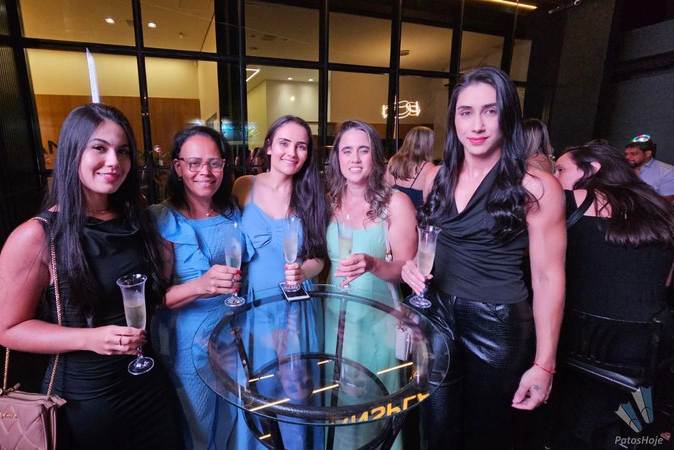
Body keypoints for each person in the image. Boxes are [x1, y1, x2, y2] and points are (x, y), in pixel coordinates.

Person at [0, 103, 183, 450]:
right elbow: (8, 329)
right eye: (99, 147)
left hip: (149, 388)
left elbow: (154, 297)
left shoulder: (137, 221)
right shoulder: (36, 236)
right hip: (86, 400)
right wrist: (90, 338)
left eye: (123, 151)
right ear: (72, 152)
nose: (114, 161)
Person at [401, 66, 566, 450]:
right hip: (436, 314)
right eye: (466, 112)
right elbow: (432, 248)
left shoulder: (537, 186)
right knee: (435, 430)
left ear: (507, 117)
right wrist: (411, 267)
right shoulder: (436, 177)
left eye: (490, 111)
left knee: (488, 437)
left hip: (497, 325)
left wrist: (544, 364)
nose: (476, 125)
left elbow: (548, 277)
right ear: (454, 119)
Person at [551, 142, 674, 448]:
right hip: (648, 343)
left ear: (592, 170)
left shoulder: (571, 200)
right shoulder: (658, 205)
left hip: (584, 339)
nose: (555, 177)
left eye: (561, 169)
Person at [149, 126, 254, 450]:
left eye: (214, 163)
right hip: (186, 343)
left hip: (233, 335)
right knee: (198, 425)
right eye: (194, 163)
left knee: (235, 419)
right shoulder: (162, 218)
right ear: (178, 167)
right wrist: (200, 285)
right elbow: (153, 299)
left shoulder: (232, 211)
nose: (205, 172)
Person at [232, 115, 330, 449]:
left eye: (301, 146)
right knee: (257, 389)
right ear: (269, 147)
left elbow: (319, 258)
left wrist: (304, 271)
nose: (292, 152)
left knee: (295, 393)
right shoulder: (243, 185)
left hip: (295, 306)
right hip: (254, 305)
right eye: (285, 143)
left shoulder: (313, 195)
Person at [324, 120, 418, 448]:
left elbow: (407, 269)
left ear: (375, 157)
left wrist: (373, 264)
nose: (354, 158)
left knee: (375, 402)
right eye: (347, 150)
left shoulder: (396, 203)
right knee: (338, 401)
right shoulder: (329, 201)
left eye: (363, 150)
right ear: (336, 157)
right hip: (335, 317)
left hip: (378, 319)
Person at [385, 125, 437, 209]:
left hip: (393, 214)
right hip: (417, 216)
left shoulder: (393, 161)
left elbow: (386, 191)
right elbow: (430, 204)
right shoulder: (429, 167)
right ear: (428, 145)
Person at [624, 135, 674, 201]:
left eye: (633, 154)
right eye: (626, 154)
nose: (627, 157)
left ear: (648, 154)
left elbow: (666, 201)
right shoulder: (622, 168)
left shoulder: (668, 171)